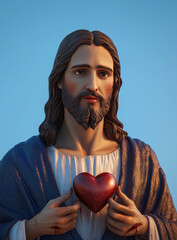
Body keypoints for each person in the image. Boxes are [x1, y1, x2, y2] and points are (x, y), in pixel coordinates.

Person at [0, 29, 177, 240]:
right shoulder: (21, 163)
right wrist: (31, 228)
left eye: (103, 74)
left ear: (115, 83)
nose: (93, 85)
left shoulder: (141, 160)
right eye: (80, 72)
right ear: (59, 80)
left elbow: (171, 226)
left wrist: (145, 226)